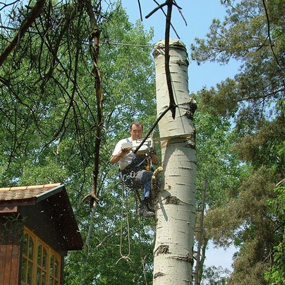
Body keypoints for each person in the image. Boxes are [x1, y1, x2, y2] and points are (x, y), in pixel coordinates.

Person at [110, 121, 159, 218]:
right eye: (134, 131)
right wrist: (122, 153)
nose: (137, 134)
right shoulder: (123, 143)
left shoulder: (146, 143)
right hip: (129, 175)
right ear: (130, 131)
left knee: (158, 180)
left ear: (142, 132)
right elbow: (112, 161)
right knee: (149, 175)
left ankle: (155, 203)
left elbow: (156, 161)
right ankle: (144, 207)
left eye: (139, 131)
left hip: (143, 172)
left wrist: (151, 152)